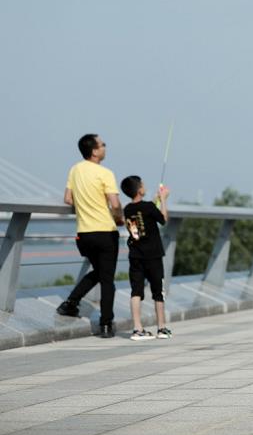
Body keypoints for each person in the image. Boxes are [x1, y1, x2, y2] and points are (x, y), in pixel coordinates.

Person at [56, 134, 124, 338]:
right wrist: (119, 218)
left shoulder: (75, 170)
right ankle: (105, 324)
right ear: (95, 151)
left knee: (100, 271)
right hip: (105, 232)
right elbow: (115, 204)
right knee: (107, 279)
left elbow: (68, 198)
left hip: (84, 234)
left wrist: (85, 204)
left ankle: (70, 303)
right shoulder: (106, 173)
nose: (105, 147)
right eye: (103, 144)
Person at [120, 176, 172, 340]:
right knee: (158, 291)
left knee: (136, 291)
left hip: (135, 255)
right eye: (143, 184)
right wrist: (163, 200)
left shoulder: (127, 209)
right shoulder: (149, 207)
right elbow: (163, 219)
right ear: (140, 189)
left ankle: (137, 329)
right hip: (154, 255)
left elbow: (137, 231)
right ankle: (161, 328)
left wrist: (155, 200)